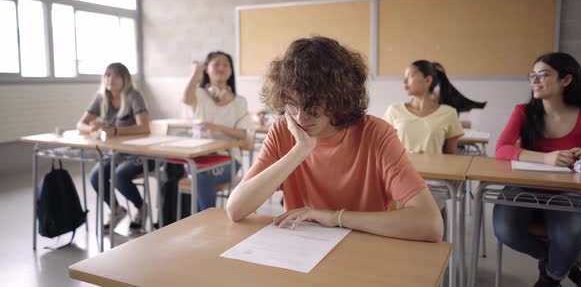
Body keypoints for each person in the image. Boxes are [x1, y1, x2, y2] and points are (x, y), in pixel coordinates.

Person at [226, 36, 443, 242]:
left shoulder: (376, 134)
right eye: (292, 104)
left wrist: (334, 218)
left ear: (339, 97)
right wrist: (299, 150)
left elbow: (430, 224)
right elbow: (235, 209)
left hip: (369, 248)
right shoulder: (284, 131)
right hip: (304, 249)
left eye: (314, 106)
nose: (301, 117)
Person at [494, 52, 581, 287]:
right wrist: (545, 159)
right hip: (525, 186)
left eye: (543, 75)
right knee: (506, 229)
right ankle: (555, 257)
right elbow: (501, 149)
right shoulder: (523, 112)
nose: (534, 81)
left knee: (567, 236)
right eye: (532, 75)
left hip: (569, 191)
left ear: (566, 80)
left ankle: (550, 278)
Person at [163, 51, 253, 220]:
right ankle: (203, 223)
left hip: (228, 158)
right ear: (207, 69)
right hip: (198, 157)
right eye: (215, 64)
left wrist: (215, 127)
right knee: (199, 172)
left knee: (202, 175)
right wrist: (196, 71)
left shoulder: (239, 101)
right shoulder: (200, 94)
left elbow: (243, 135)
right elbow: (185, 98)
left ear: (231, 70)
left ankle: (206, 222)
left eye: (225, 64)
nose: (221, 67)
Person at [77, 62, 151, 231]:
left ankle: (141, 207)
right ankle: (117, 210)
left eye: (117, 75)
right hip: (116, 153)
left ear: (125, 79)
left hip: (137, 152)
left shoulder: (133, 95)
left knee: (119, 175)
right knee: (96, 175)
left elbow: (144, 127)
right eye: (108, 75)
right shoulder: (102, 97)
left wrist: (114, 130)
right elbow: (80, 124)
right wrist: (93, 128)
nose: (111, 79)